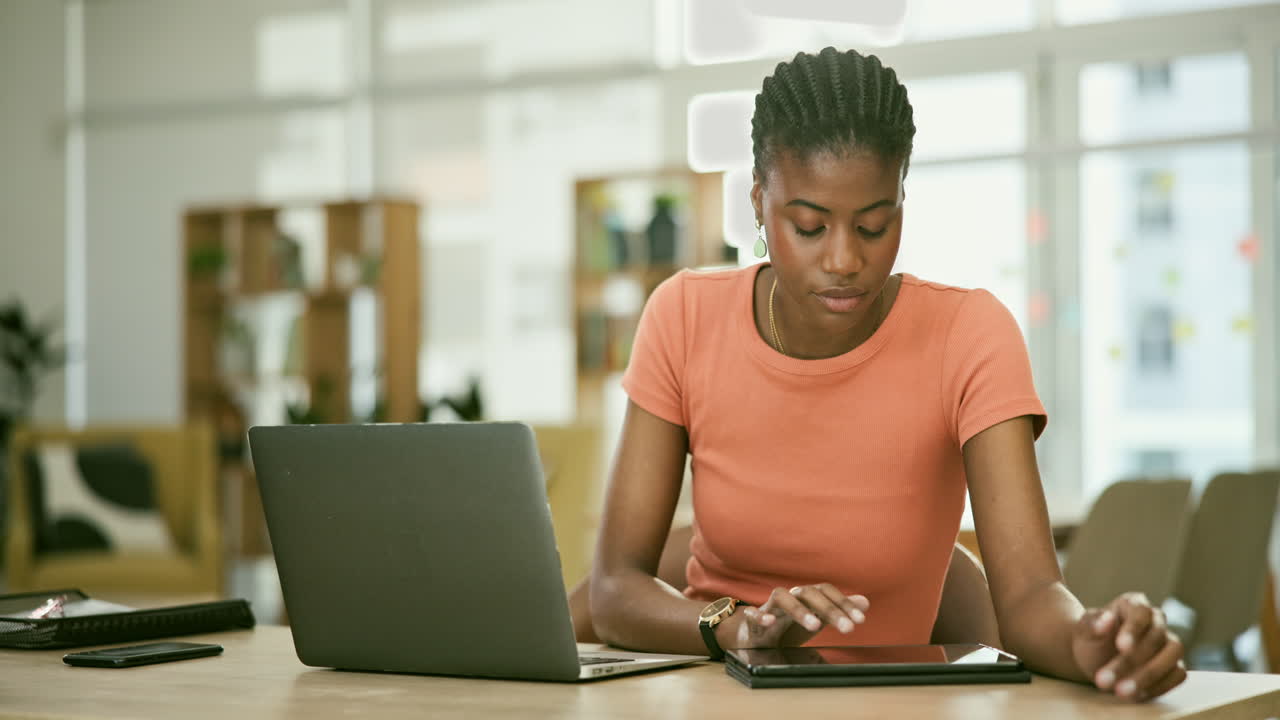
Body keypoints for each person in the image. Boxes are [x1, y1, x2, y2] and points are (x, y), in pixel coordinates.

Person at [587, 47, 1185, 702]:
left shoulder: (970, 335)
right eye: (810, 226)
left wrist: (1088, 637)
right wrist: (733, 627)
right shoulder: (682, 316)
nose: (845, 259)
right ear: (760, 203)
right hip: (710, 695)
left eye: (875, 224)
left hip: (894, 703)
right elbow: (615, 588)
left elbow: (1031, 596)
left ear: (901, 199)